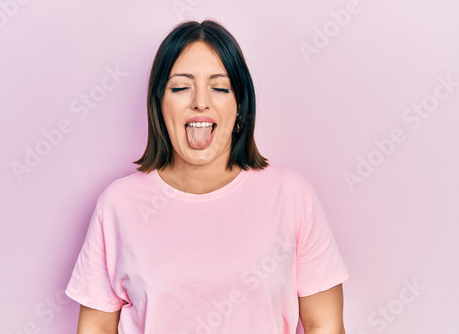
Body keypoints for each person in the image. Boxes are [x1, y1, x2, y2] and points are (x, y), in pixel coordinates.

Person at [65, 19, 349, 334]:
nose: (201, 101)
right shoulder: (118, 204)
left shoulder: (291, 195)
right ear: (159, 104)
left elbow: (324, 324)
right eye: (181, 87)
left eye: (219, 87)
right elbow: (97, 328)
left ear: (240, 105)